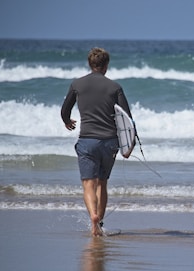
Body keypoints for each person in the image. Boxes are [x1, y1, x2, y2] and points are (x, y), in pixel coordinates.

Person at [61, 47, 132, 237]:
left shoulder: (77, 84)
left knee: (88, 184)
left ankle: (92, 216)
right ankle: (99, 221)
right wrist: (129, 145)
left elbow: (64, 110)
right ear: (106, 65)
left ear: (90, 64)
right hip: (109, 143)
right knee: (102, 183)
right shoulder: (114, 87)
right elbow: (127, 119)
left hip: (87, 141)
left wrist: (67, 122)